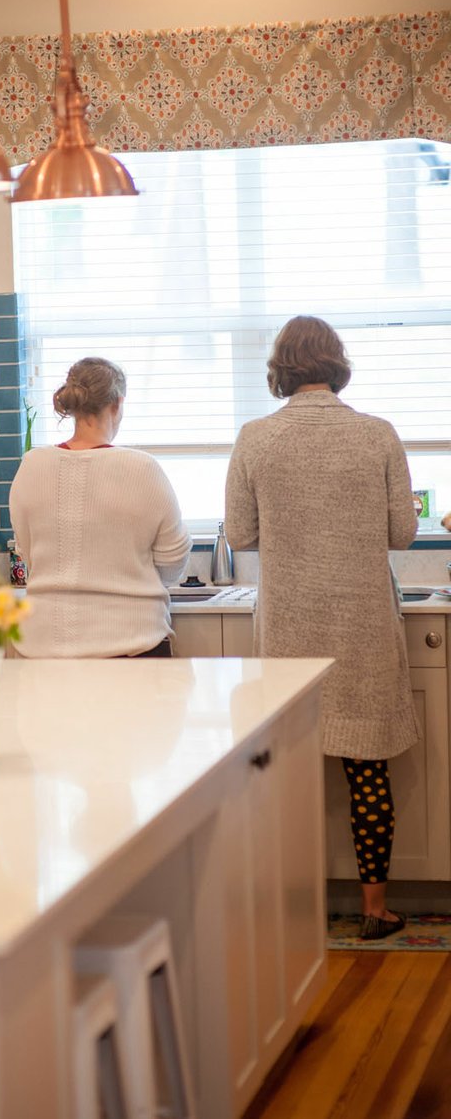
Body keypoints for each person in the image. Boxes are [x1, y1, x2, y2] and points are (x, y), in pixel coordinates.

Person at [224, 315, 418, 941]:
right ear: (336, 364)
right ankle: (374, 910)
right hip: (362, 625)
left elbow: (241, 536)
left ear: (281, 368)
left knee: (287, 775)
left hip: (287, 630)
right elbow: (402, 535)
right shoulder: (377, 435)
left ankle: (292, 910)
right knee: (367, 770)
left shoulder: (254, 438)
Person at [9, 356, 192, 658]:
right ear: (117, 404)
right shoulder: (142, 469)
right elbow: (173, 561)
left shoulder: (31, 467)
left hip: (43, 650)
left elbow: (29, 554)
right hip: (131, 644)